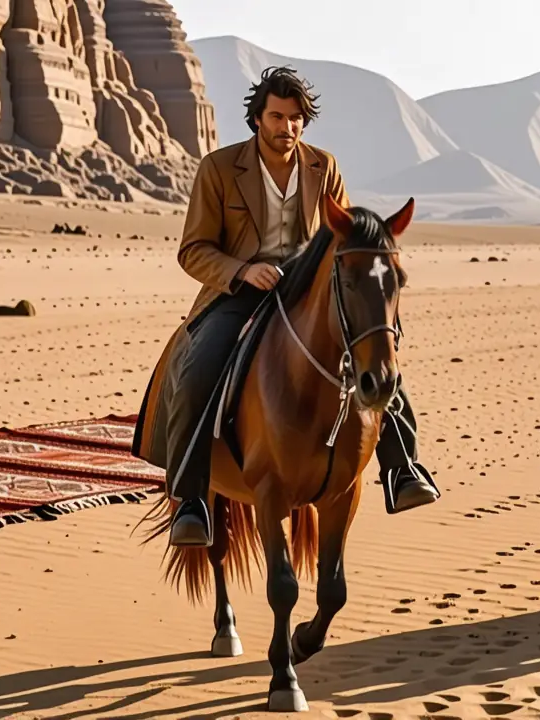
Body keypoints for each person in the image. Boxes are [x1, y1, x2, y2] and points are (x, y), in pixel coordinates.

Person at [132, 66, 439, 548]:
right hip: (238, 292)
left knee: (378, 352)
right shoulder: (218, 168)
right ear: (257, 119)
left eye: (296, 119)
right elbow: (193, 250)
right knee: (197, 372)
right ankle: (191, 500)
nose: (288, 127)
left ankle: (402, 465)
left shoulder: (324, 166)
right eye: (277, 117)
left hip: (306, 291)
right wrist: (241, 270)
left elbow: (346, 237)